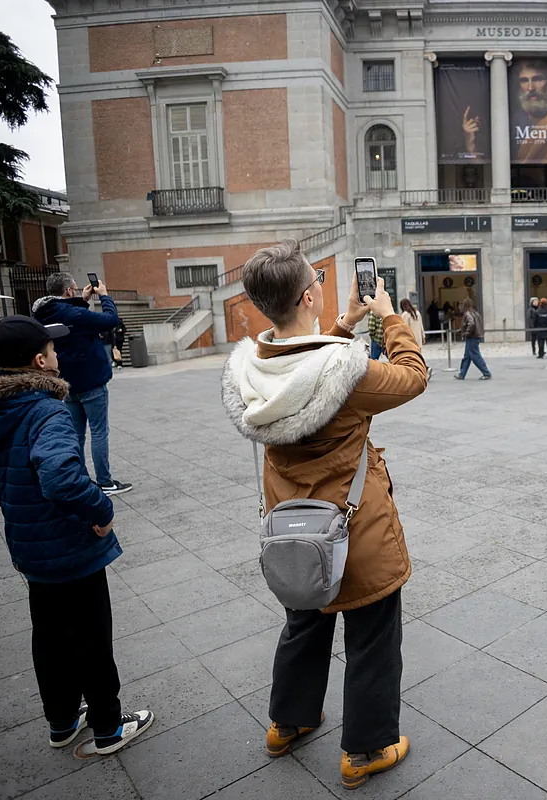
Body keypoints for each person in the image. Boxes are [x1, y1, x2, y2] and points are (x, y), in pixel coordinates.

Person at [221, 239, 425, 790]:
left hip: (293, 530)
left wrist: (343, 323)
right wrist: (387, 320)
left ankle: (287, 723)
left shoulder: (253, 369)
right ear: (310, 293)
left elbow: (305, 377)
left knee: (303, 624)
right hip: (354, 531)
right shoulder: (351, 372)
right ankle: (366, 750)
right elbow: (411, 376)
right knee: (372, 637)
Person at [0, 315, 153, 755]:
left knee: (48, 636)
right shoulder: (46, 410)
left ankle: (62, 721)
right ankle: (108, 728)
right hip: (68, 546)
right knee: (91, 638)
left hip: (29, 546)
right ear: (38, 362)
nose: (57, 355)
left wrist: (22, 513)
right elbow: (62, 478)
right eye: (52, 349)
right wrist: (101, 508)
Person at [32, 273, 131, 496]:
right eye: (75, 290)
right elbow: (110, 320)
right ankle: (105, 482)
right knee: (98, 432)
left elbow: (71, 323)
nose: (77, 292)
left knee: (75, 435)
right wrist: (104, 296)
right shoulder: (73, 313)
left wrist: (83, 300)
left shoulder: (43, 314)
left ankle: (82, 480)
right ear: (68, 291)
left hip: (65, 384)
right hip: (90, 380)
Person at [453, 297, 491, 380]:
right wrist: (461, 330)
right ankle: (462, 374)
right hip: (476, 336)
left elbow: (471, 324)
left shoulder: (467, 314)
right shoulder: (475, 313)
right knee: (467, 356)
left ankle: (486, 373)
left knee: (475, 356)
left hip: (472, 338)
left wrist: (466, 333)